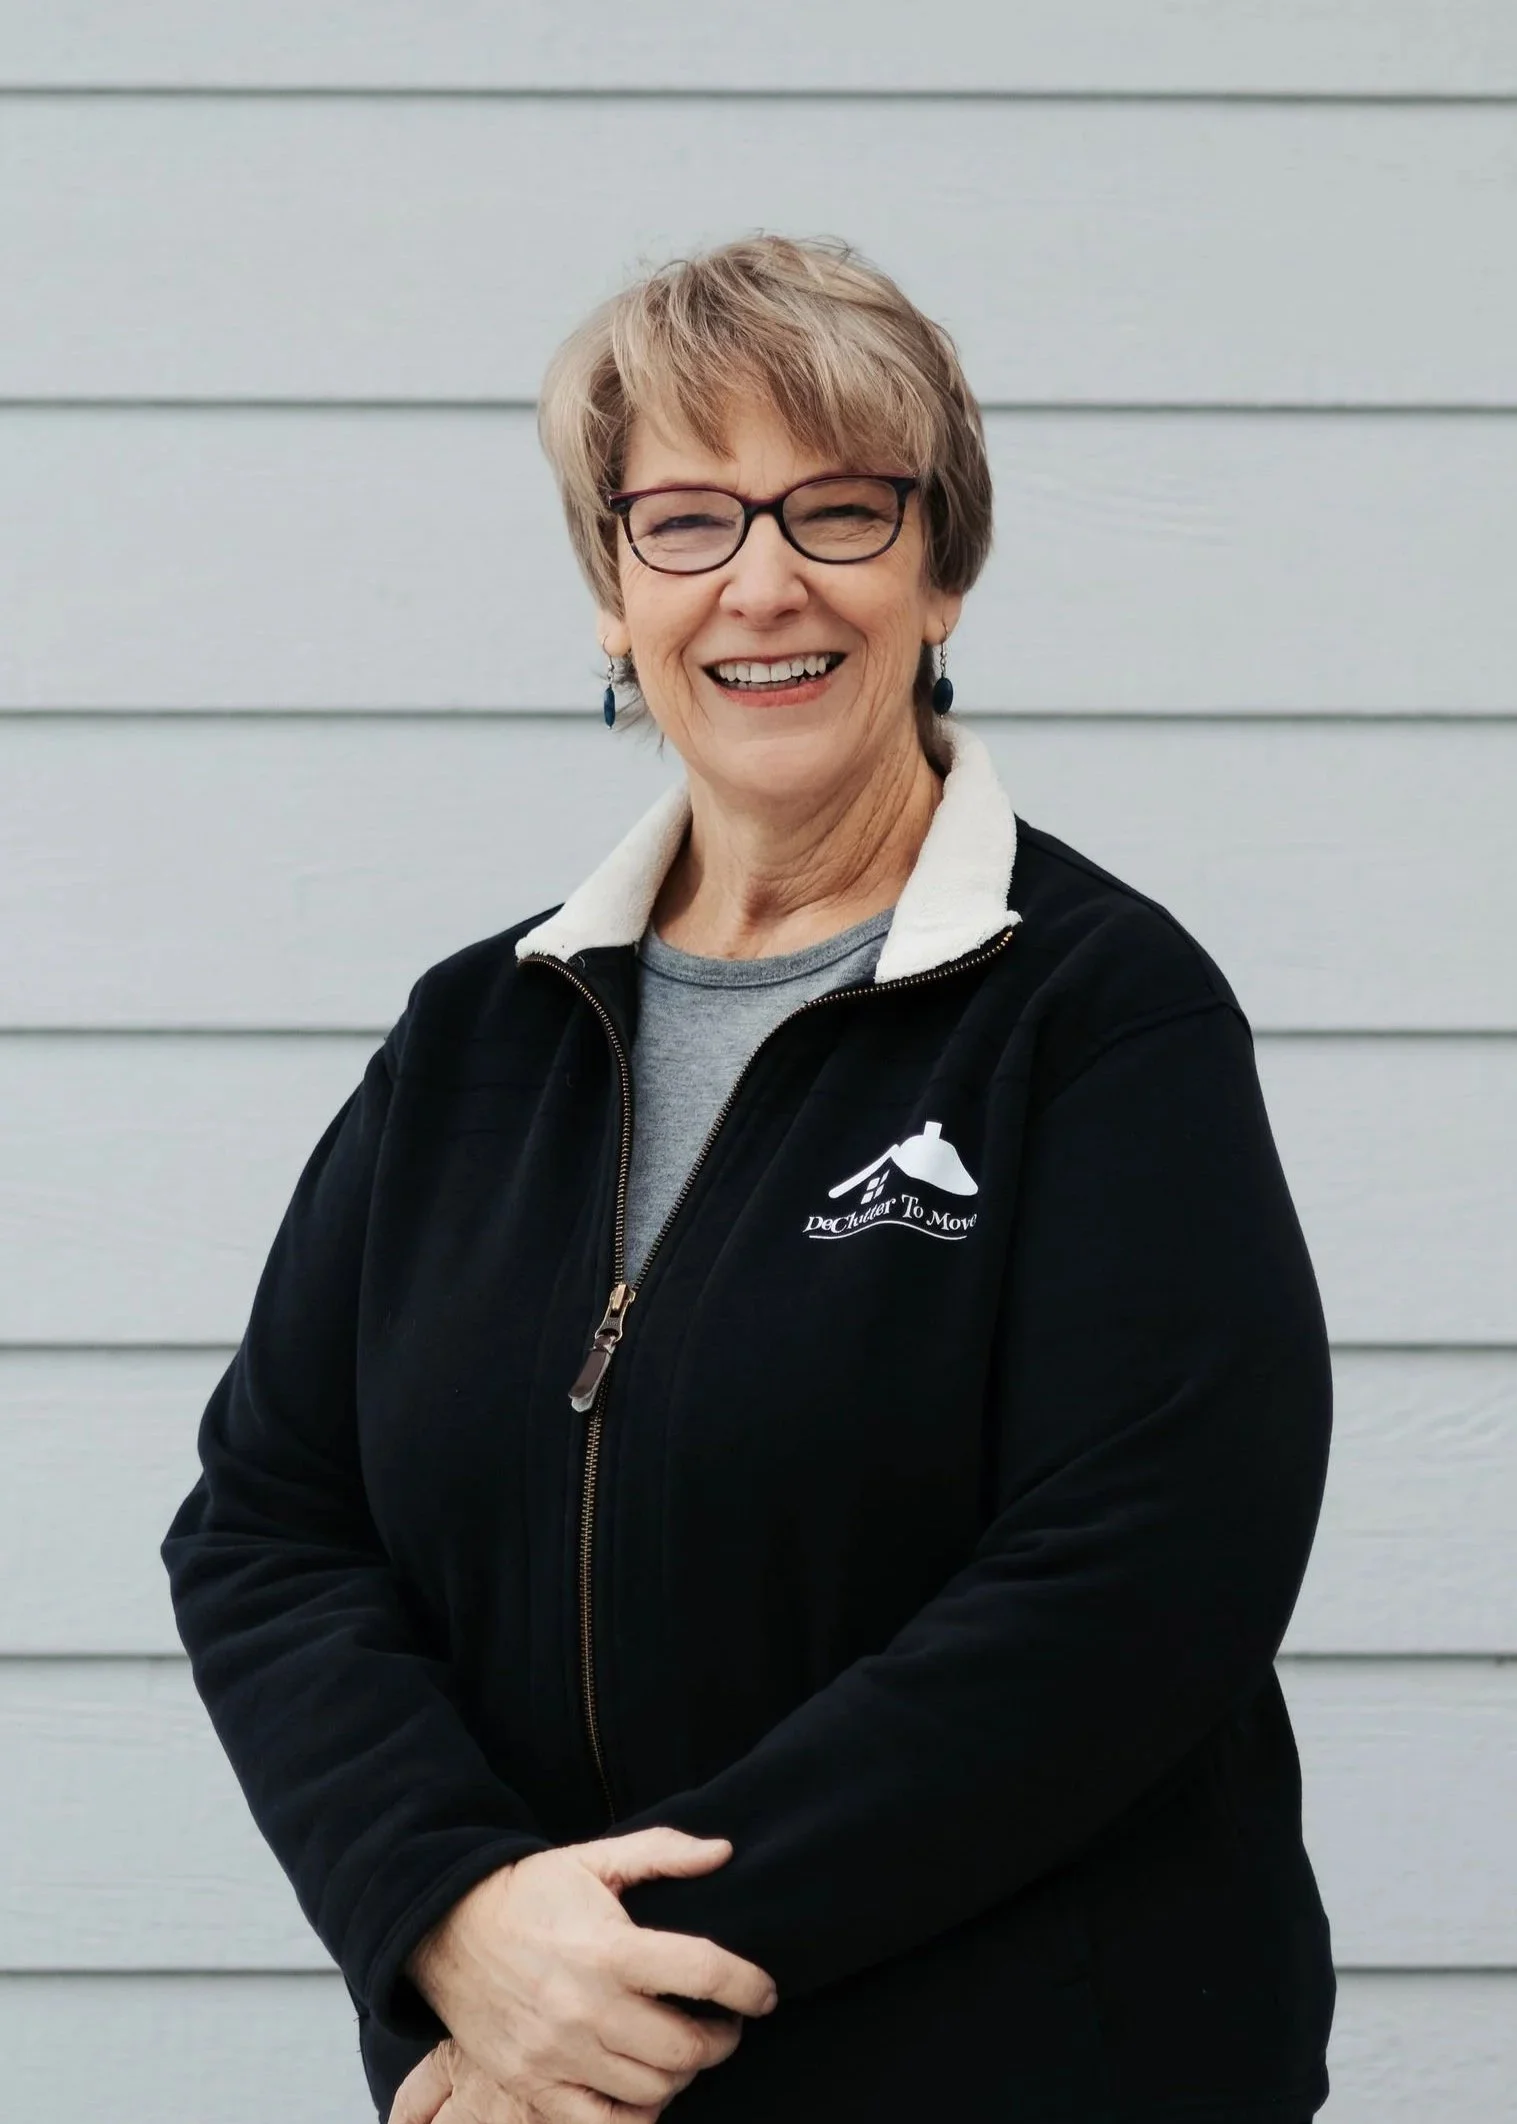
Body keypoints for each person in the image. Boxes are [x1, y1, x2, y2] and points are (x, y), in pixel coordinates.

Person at [163, 235, 1335, 2124]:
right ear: (611, 597)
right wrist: (451, 1916)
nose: (762, 582)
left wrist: (596, 1990)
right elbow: (268, 1526)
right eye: (685, 522)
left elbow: (1137, 1583)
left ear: (942, 567)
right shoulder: (479, 1035)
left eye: (840, 511)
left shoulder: (1097, 1015)